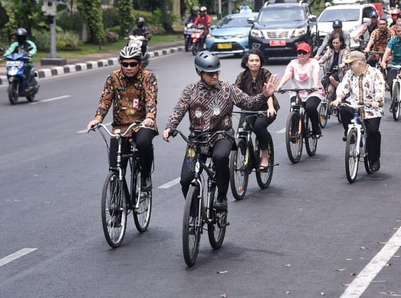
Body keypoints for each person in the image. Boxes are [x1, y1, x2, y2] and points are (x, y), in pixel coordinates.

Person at [162, 51, 279, 212]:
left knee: (220, 157)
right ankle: (195, 213)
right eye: (210, 73)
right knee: (186, 180)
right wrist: (170, 126)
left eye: (217, 72)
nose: (214, 76)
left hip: (222, 136)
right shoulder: (190, 90)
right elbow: (179, 109)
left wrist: (264, 95)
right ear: (199, 72)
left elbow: (249, 103)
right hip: (197, 140)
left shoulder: (227, 89)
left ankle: (221, 197)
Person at [86, 46, 158, 191]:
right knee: (116, 166)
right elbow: (105, 100)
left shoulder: (148, 77)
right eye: (125, 64)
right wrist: (98, 119)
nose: (129, 67)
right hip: (120, 127)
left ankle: (145, 176)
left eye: (133, 64)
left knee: (143, 143)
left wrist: (150, 117)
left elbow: (151, 99)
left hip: (141, 124)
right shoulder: (113, 77)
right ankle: (118, 196)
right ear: (120, 64)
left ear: (140, 64)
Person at [331, 51, 385, 172]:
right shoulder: (349, 74)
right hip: (354, 104)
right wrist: (338, 98)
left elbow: (380, 88)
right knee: (343, 109)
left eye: (351, 64)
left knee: (373, 131)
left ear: (359, 64)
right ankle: (349, 133)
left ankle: (374, 159)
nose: (349, 66)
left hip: (371, 107)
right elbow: (343, 86)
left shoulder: (375, 73)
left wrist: (377, 100)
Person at [234, 50, 279, 170]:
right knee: (241, 131)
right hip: (248, 110)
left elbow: (269, 93)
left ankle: (265, 155)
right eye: (251, 60)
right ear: (246, 63)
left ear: (261, 62)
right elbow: (234, 93)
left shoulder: (265, 74)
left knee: (259, 127)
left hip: (266, 109)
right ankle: (247, 156)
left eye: (257, 60)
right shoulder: (242, 76)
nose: (254, 63)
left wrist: (270, 107)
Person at [275, 42, 323, 138]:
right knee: (294, 108)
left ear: (309, 54)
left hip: (312, 91)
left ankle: (316, 129)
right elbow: (288, 74)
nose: (301, 54)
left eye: (304, 52)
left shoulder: (313, 62)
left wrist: (315, 84)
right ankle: (294, 132)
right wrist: (280, 85)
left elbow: (315, 73)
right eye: (299, 52)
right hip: (296, 91)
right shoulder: (293, 63)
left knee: (310, 108)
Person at [318, 32, 349, 100]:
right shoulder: (330, 50)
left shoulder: (344, 51)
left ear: (341, 43)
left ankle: (342, 92)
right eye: (333, 43)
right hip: (330, 71)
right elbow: (324, 57)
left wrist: (342, 64)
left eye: (337, 43)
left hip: (339, 72)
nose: (335, 44)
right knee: (329, 90)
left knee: (331, 78)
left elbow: (344, 59)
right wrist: (317, 62)